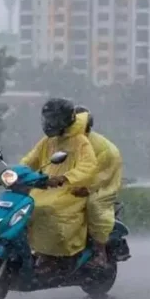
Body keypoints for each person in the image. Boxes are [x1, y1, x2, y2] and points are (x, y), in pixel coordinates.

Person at [21, 98, 98, 274]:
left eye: (53, 119)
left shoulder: (80, 141)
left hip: (69, 191)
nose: (49, 124)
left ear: (64, 120)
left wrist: (66, 178)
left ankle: (52, 256)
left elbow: (88, 165)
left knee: (47, 209)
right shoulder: (48, 142)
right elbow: (29, 160)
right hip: (45, 189)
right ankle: (35, 251)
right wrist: (16, 173)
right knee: (26, 206)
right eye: (47, 119)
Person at [73, 106, 123, 268]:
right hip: (77, 183)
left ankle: (99, 251)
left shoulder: (102, 148)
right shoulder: (65, 143)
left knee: (93, 204)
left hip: (104, 185)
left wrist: (86, 188)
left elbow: (101, 175)